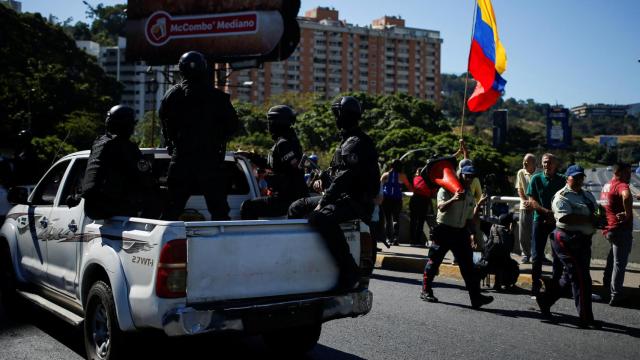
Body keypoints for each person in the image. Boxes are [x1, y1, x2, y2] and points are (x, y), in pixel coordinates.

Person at [288, 96, 380, 290]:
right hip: (343, 197)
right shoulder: (347, 140)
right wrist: (324, 180)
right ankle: (294, 258)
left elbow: (346, 178)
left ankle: (348, 270)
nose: (334, 117)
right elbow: (338, 175)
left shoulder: (355, 142)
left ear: (342, 115)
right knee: (297, 207)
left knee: (321, 218)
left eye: (336, 114)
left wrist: (326, 199)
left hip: (356, 202)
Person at [159, 51, 238, 220]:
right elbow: (232, 127)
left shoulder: (171, 95)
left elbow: (165, 125)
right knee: (219, 212)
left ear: (181, 70)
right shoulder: (218, 97)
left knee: (170, 211)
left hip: (181, 159)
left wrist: (174, 142)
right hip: (209, 159)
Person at [535, 165, 601, 329]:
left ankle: (545, 300)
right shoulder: (561, 196)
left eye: (581, 177)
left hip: (584, 240)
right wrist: (589, 219)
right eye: (575, 177)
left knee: (569, 277)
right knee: (581, 278)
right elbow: (565, 218)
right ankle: (586, 318)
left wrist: (601, 218)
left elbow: (597, 211)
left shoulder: (587, 195)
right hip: (566, 239)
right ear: (567, 178)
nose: (578, 180)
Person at [420, 165, 494, 309]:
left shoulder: (468, 195)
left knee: (468, 267)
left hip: (460, 232)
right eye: (467, 176)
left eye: (471, 177)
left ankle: (476, 298)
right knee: (434, 261)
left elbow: (469, 219)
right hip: (444, 230)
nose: (469, 179)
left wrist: (473, 234)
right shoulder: (445, 189)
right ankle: (425, 290)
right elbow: (441, 207)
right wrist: (454, 198)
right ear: (460, 175)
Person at [82, 105, 154, 219]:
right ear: (127, 125)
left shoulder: (99, 143)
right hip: (116, 209)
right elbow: (145, 178)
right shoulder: (128, 148)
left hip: (93, 208)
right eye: (131, 125)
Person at [240, 105, 308, 219]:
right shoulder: (284, 141)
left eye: (270, 122)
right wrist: (250, 156)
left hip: (288, 199)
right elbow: (271, 163)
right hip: (286, 197)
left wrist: (273, 177)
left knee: (248, 207)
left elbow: (295, 172)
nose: (268, 125)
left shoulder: (284, 143)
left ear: (277, 123)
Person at [525, 153, 565, 298]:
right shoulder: (536, 178)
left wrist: (553, 216)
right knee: (536, 256)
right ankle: (535, 285)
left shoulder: (563, 180)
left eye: (549, 162)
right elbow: (532, 200)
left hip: (557, 222)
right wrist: (546, 212)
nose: (546, 165)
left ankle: (555, 286)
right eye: (544, 162)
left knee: (558, 256)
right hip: (539, 220)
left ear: (555, 164)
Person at [601, 162, 634, 306]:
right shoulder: (622, 185)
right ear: (619, 173)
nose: (630, 175)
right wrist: (627, 214)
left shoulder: (607, 185)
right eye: (627, 172)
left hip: (609, 228)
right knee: (619, 264)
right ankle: (616, 295)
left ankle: (607, 286)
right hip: (620, 229)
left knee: (612, 260)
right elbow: (626, 196)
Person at [381, 159, 413, 245]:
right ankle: (395, 238)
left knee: (387, 220)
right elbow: (409, 186)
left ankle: (388, 238)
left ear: (391, 165)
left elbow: (380, 185)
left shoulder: (385, 174)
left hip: (386, 199)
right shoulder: (402, 176)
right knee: (396, 219)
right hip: (397, 200)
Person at [515, 153, 537, 263]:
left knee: (536, 232)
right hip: (524, 207)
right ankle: (525, 254)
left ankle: (537, 255)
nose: (524, 163)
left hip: (536, 207)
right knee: (523, 232)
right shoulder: (521, 173)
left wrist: (533, 204)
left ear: (533, 164)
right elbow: (519, 189)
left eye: (527, 162)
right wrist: (525, 201)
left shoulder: (539, 173)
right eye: (524, 161)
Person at [409, 168, 436, 246]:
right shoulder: (430, 180)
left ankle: (412, 240)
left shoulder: (416, 178)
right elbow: (433, 193)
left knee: (413, 220)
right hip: (424, 200)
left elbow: (413, 187)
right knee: (421, 221)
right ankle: (417, 241)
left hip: (415, 199)